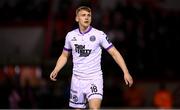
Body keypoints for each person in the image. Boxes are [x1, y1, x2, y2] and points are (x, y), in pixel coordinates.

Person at [50, 6, 133, 109]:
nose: (86, 18)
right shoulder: (70, 36)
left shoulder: (99, 35)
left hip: (94, 78)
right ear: (77, 18)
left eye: (89, 15)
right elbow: (64, 55)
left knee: (94, 108)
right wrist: (56, 69)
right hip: (77, 80)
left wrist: (126, 72)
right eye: (83, 15)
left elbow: (114, 53)